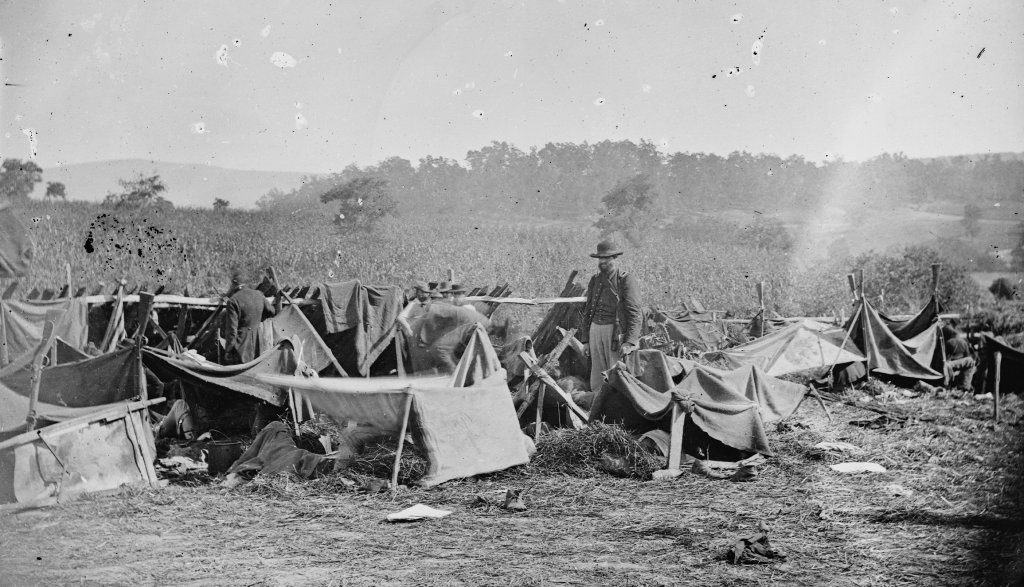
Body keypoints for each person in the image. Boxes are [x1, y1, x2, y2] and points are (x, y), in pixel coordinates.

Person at [579, 239, 643, 393]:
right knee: (597, 375)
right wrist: (585, 340)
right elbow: (588, 311)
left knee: (616, 374)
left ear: (614, 258)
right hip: (595, 331)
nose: (603, 262)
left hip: (615, 333)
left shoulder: (625, 279)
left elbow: (635, 313)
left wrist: (629, 342)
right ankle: (597, 400)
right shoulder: (595, 280)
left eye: (607, 258)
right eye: (600, 258)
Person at [223, 267, 277, 364]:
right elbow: (272, 312)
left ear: (234, 283)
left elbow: (232, 331)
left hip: (241, 348)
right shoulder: (259, 294)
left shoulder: (233, 301)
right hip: (258, 346)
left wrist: (228, 350)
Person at [943, 322, 976, 392]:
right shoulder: (964, 342)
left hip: (950, 365)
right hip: (960, 365)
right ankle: (964, 387)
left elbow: (945, 356)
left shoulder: (948, 342)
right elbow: (967, 355)